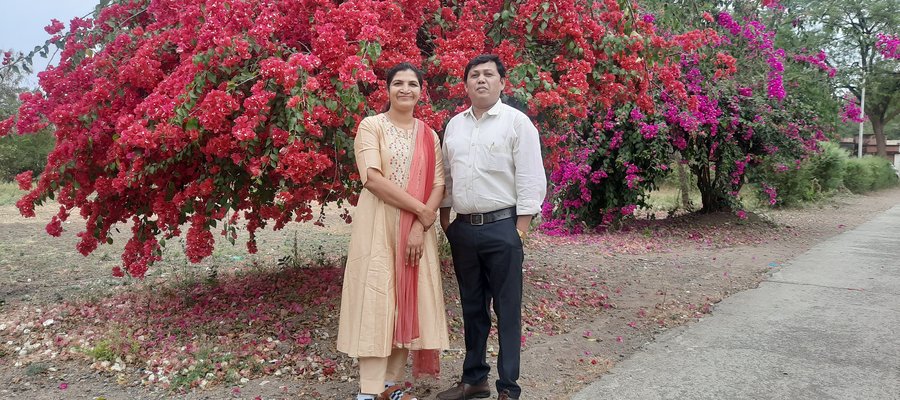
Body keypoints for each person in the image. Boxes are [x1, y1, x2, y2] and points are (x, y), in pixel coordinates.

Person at [436, 54, 547, 400]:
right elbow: (448, 176)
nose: (481, 80)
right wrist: (446, 221)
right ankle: (474, 380)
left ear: (502, 82)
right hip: (464, 230)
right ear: (466, 84)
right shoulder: (455, 125)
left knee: (507, 309)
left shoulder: (516, 123)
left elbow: (530, 176)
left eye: (488, 74)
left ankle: (508, 388)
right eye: (474, 75)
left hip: (503, 228)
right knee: (471, 307)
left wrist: (521, 229)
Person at [337, 62, 450, 400]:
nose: (405, 89)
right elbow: (371, 179)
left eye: (412, 84)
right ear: (386, 90)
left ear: (421, 90)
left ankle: (392, 385)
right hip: (378, 227)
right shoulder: (372, 126)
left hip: (417, 232)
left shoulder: (429, 135)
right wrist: (421, 211)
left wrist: (419, 226)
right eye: (398, 83)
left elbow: (438, 183)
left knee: (410, 301)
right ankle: (368, 391)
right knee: (376, 299)